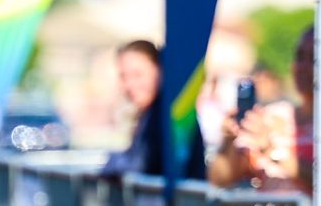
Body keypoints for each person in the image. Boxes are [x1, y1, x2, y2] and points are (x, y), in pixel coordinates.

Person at [209, 27, 313, 192]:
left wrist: (271, 150)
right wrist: (229, 140)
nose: (303, 66)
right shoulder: (271, 115)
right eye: (299, 57)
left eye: (313, 58)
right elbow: (220, 178)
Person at [101, 39, 205, 179]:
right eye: (123, 76)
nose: (129, 85)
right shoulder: (151, 113)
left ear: (160, 70)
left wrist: (111, 164)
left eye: (137, 74)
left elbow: (141, 164)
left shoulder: (167, 113)